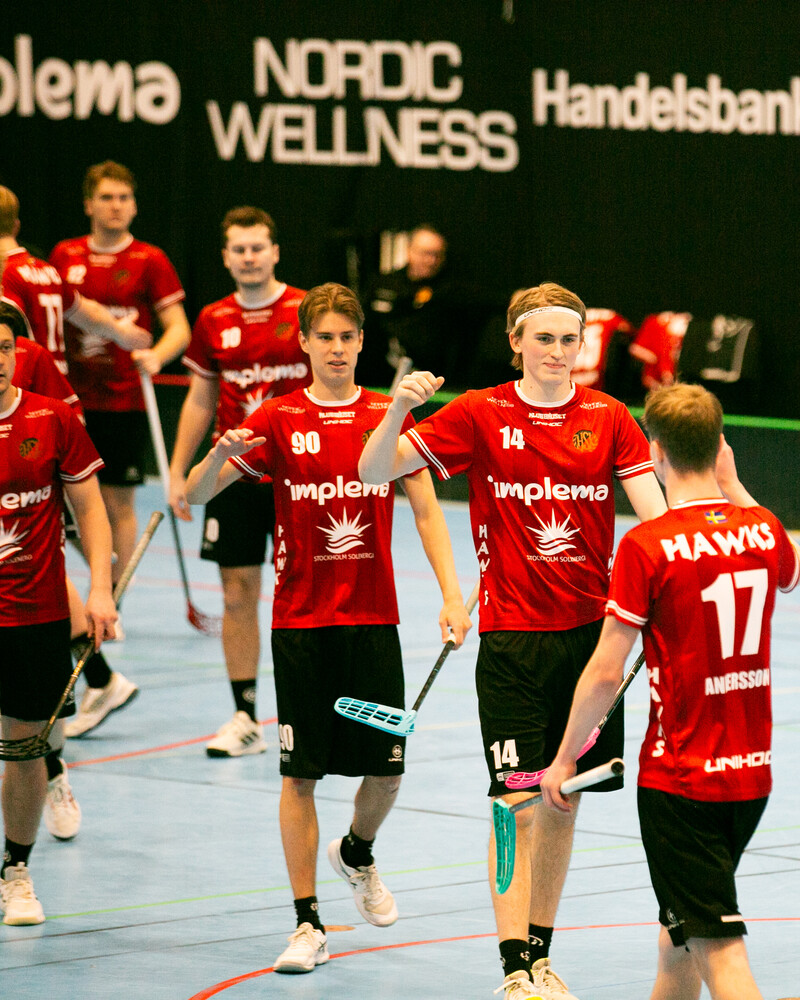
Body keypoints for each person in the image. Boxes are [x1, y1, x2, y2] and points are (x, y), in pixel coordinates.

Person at [358, 281, 668, 999]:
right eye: (545, 339)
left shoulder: (610, 418)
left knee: (563, 802)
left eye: (570, 340)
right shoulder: (480, 412)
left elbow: (655, 524)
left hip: (592, 648)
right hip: (512, 645)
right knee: (513, 805)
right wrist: (398, 408)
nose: (558, 352)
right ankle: (512, 969)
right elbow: (374, 470)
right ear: (516, 343)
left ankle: (542, 957)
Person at [185, 282, 471, 974]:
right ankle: (307, 922)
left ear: (362, 342)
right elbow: (195, 493)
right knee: (300, 776)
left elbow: (427, 511)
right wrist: (219, 455)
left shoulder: (386, 414)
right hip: (301, 624)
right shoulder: (279, 417)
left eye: (348, 337)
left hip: (373, 620)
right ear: (305, 344)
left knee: (387, 770)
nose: (337, 349)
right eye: (326, 338)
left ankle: (358, 851)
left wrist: (452, 596)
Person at [541, 383, 800, 1000]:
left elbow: (606, 672)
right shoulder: (764, 528)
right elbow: (791, 568)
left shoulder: (648, 544)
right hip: (751, 778)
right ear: (720, 446)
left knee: (720, 952)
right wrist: (733, 485)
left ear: (654, 451)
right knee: (678, 935)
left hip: (682, 782)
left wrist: (564, 758)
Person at [50, 160, 190, 734]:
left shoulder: (149, 259)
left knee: (117, 506)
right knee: (67, 513)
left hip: (125, 400)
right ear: (89, 203)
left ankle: (114, 602)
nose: (116, 206)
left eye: (125, 197)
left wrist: (157, 354)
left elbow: (178, 326)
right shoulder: (63, 256)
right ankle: (93, 594)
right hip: (68, 399)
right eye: (106, 197)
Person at [169, 206, 310, 757]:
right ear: (226, 257)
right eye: (239, 249)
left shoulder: (305, 309)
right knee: (237, 593)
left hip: (300, 474)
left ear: (274, 252)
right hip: (233, 475)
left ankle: (307, 712)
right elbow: (200, 399)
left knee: (305, 594)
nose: (249, 257)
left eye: (258, 248)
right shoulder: (213, 319)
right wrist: (180, 471)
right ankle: (245, 716)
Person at [0, 319, 117, 926]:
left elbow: (90, 509)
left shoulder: (51, 418)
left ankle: (16, 871)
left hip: (34, 615)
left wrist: (99, 589)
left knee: (25, 748)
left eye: (3, 348)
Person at [0, 184, 153, 376]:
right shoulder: (47, 270)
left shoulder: (5, 273)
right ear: (16, 226)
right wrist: (119, 331)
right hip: (55, 385)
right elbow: (87, 312)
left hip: (24, 384)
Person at [361, 224, 486, 389]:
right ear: (409, 250)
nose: (431, 261)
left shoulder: (451, 291)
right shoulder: (382, 283)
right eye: (426, 253)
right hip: (377, 378)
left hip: (430, 383)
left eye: (437, 255)